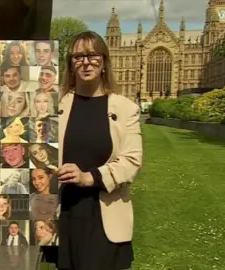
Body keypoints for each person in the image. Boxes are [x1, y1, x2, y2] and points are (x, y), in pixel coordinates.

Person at [56, 31, 143, 270]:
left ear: (104, 61)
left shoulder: (126, 108)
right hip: (62, 214)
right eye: (78, 57)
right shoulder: (54, 105)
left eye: (92, 55)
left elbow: (132, 162)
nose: (86, 62)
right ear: (70, 65)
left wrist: (89, 176)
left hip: (104, 215)